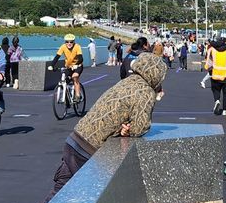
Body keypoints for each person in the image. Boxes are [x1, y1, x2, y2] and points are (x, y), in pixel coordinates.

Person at [51, 53, 168, 194]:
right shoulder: (145, 91)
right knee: (89, 197)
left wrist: (123, 127)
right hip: (89, 149)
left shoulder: (127, 81)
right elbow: (140, 127)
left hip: (75, 139)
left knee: (58, 193)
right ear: (156, 75)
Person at [204, 34, 226, 115]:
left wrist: (210, 71)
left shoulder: (212, 49)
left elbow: (209, 62)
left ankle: (217, 100)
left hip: (215, 74)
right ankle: (225, 110)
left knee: (215, 90)